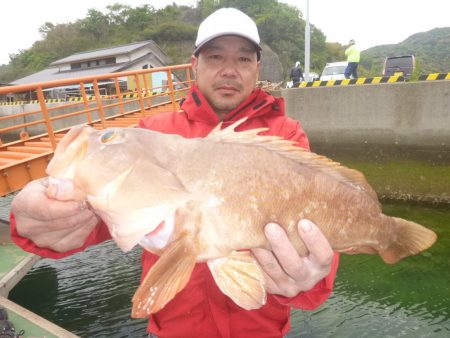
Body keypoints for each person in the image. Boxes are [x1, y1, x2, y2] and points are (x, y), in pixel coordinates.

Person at [10, 7, 339, 338]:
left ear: (257, 66)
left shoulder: (286, 135)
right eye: (214, 57)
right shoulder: (152, 132)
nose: (229, 70)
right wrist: (42, 222)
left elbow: (319, 223)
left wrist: (311, 279)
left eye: (242, 59)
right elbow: (101, 217)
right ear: (194, 64)